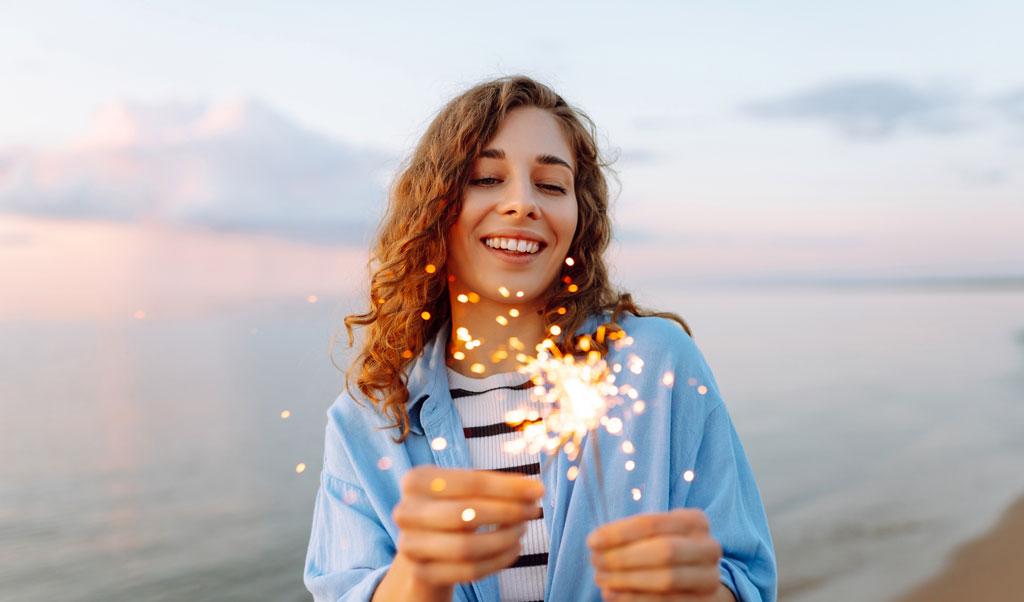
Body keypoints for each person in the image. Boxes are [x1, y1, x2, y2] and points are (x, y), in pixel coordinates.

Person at [303, 75, 776, 602]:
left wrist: (699, 594)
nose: (522, 202)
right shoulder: (367, 420)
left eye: (552, 185)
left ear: (580, 217)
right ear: (433, 208)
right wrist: (419, 577)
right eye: (485, 177)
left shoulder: (659, 363)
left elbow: (745, 579)